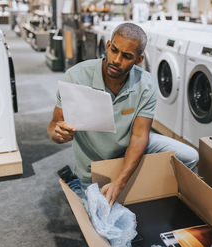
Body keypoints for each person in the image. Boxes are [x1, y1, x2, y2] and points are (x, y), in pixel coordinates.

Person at [48, 23, 198, 206]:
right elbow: (54, 125)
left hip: (130, 145)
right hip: (93, 162)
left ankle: (174, 198)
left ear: (139, 59)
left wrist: (119, 182)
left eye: (126, 56)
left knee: (190, 156)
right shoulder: (76, 77)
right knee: (102, 222)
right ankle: (75, 183)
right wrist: (58, 133)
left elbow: (140, 135)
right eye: (114, 50)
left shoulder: (147, 84)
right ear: (108, 45)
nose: (116, 60)